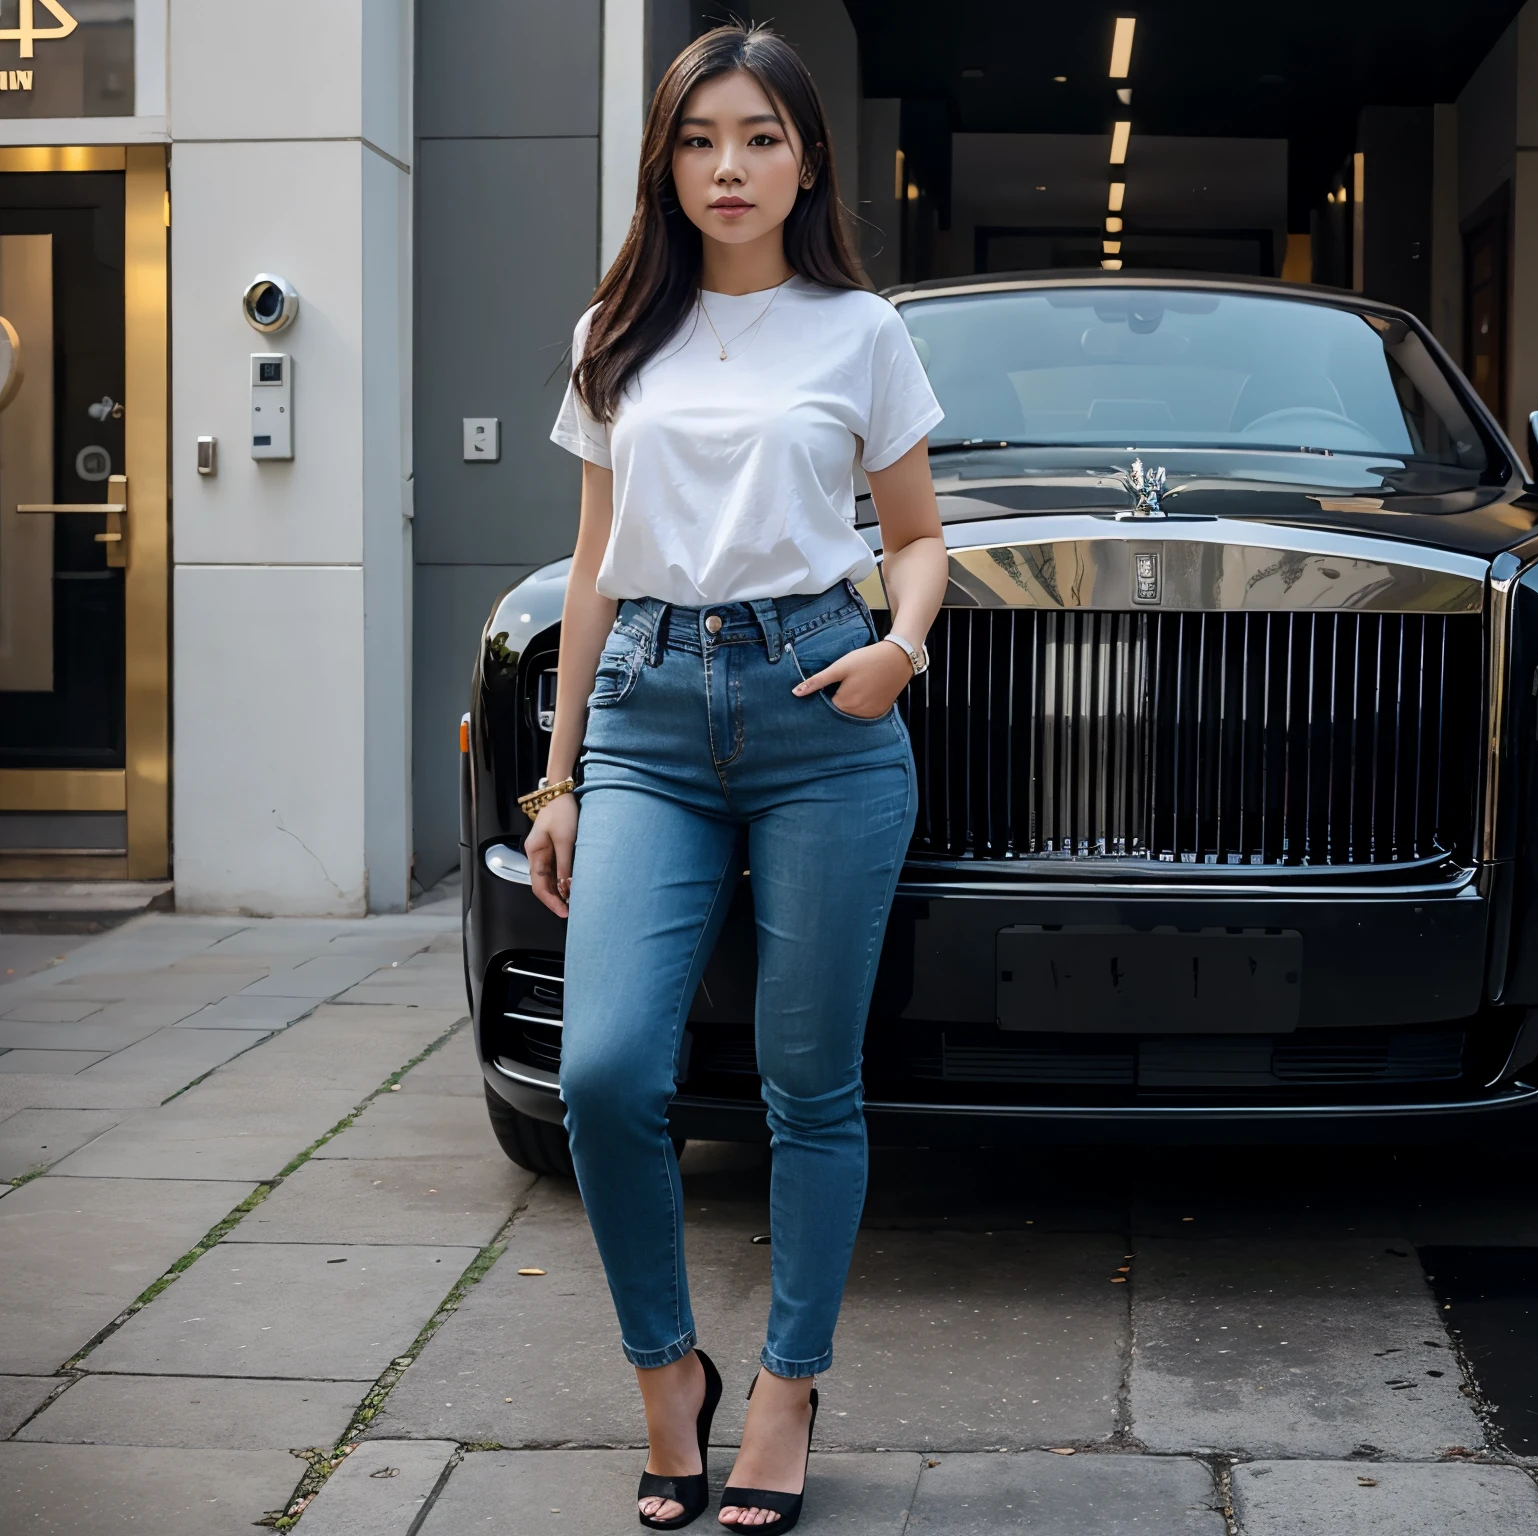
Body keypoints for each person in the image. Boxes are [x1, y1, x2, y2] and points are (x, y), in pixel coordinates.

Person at [522, 24, 946, 1532]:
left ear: (806, 157)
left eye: (759, 136)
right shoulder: (613, 333)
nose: (729, 167)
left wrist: (900, 643)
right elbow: (589, 567)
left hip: (824, 710)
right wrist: (557, 778)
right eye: (701, 138)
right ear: (668, 160)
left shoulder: (861, 330)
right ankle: (667, 1381)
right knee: (605, 1073)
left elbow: (916, 532)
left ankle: (785, 1390)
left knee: (805, 1087)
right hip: (644, 716)